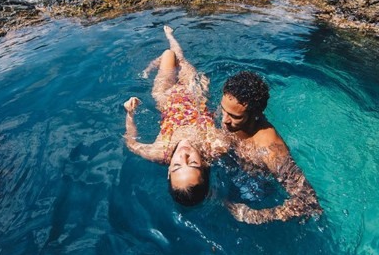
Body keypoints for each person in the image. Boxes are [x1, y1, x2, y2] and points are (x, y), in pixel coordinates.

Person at [123, 25, 228, 206]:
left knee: (168, 55)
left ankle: (161, 53)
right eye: (193, 164)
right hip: (195, 93)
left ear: (169, 171)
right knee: (179, 58)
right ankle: (170, 38)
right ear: (205, 166)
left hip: (166, 96)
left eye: (177, 165)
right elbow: (233, 126)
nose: (183, 156)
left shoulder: (159, 153)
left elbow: (131, 144)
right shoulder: (216, 146)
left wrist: (130, 114)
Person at [220, 71, 322, 224]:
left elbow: (309, 201)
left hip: (256, 188)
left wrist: (257, 216)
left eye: (235, 117)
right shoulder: (231, 108)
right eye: (223, 109)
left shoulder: (270, 149)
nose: (224, 120)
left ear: (255, 114)